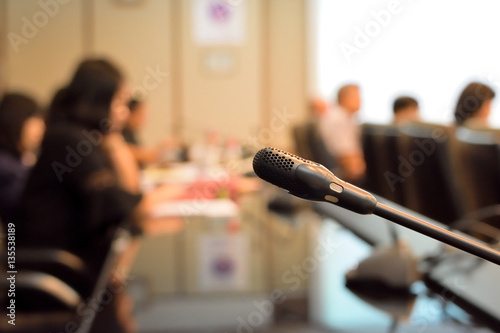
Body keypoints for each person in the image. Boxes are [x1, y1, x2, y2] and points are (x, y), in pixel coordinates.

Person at [18, 58, 184, 332]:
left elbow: (128, 195)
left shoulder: (84, 138)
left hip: (77, 267)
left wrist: (115, 142)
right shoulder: (68, 140)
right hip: (57, 276)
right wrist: (169, 193)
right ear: (99, 100)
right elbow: (130, 207)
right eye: (119, 102)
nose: (123, 113)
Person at [0, 93, 45, 227]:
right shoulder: (6, 165)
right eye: (33, 119)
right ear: (15, 120)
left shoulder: (22, 160)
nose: (41, 127)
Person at [318, 84, 365, 184]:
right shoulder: (340, 120)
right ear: (344, 98)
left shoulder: (337, 115)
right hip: (342, 176)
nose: (360, 101)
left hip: (336, 171)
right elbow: (348, 160)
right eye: (357, 97)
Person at [122, 95, 182, 168]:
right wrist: (161, 147)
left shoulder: (132, 133)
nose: (144, 118)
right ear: (130, 113)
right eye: (141, 113)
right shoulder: (120, 133)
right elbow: (136, 154)